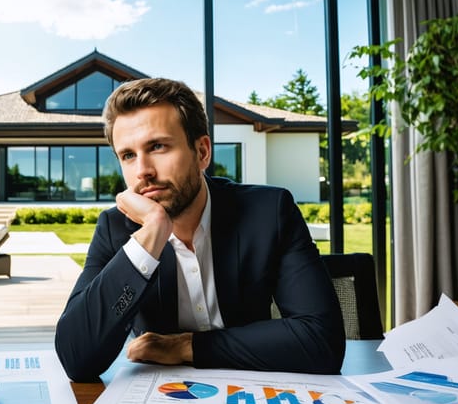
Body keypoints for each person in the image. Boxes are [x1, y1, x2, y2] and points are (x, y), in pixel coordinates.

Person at [54, 77, 345, 382]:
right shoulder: (115, 229)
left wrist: (186, 347)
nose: (143, 171)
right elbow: (77, 358)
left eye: (158, 146)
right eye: (128, 155)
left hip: (254, 388)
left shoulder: (269, 212)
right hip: (160, 398)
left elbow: (322, 340)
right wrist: (152, 233)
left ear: (202, 152)